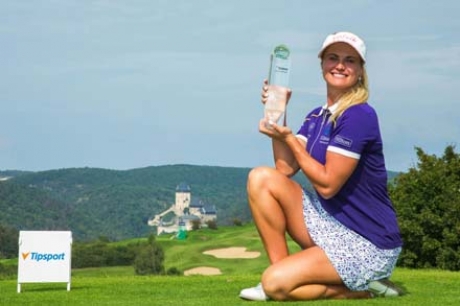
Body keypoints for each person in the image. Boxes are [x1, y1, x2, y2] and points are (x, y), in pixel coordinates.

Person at [239, 31, 403, 301]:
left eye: (350, 60)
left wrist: (289, 138)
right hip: (330, 225)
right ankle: (279, 275)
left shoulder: (359, 115)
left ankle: (359, 289)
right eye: (333, 58)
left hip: (368, 242)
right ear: (322, 65)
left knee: (275, 284)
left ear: (360, 71)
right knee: (261, 178)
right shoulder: (317, 115)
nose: (340, 65)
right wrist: (278, 115)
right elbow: (284, 169)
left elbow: (327, 185)